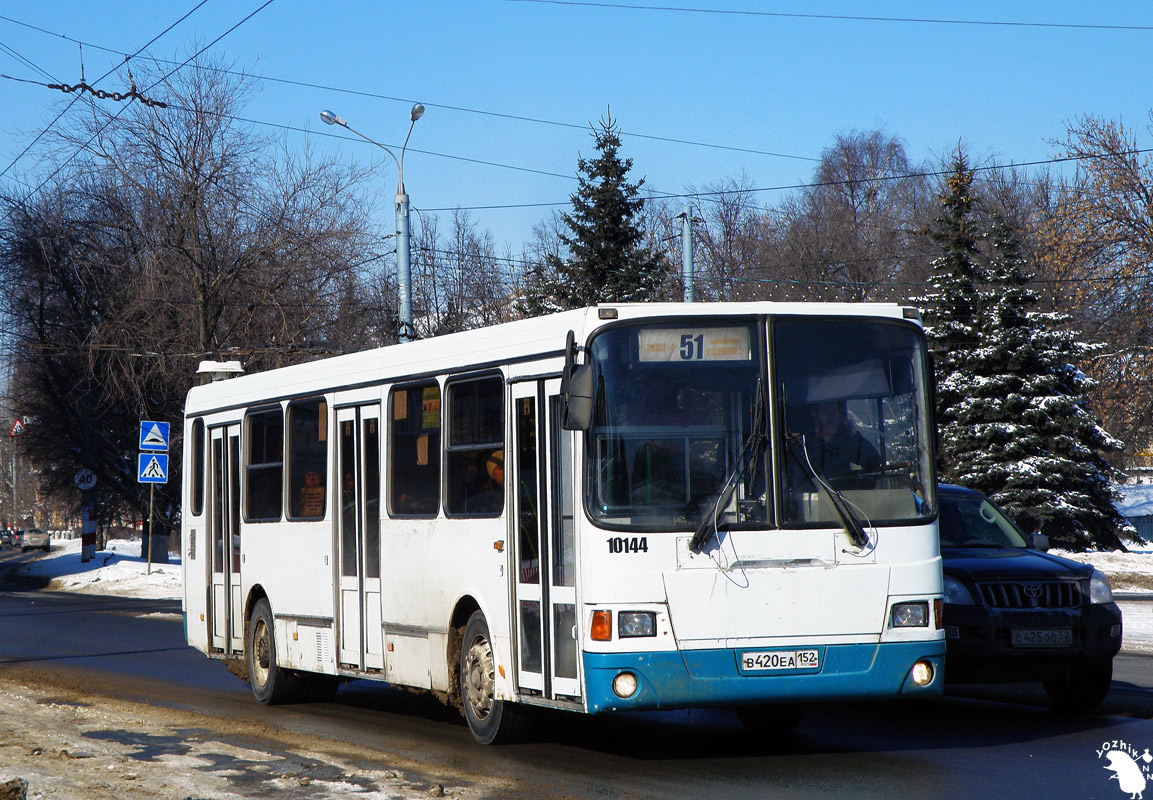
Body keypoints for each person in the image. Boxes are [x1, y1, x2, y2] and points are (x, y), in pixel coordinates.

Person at [800, 400, 881, 487]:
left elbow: (873, 461)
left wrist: (855, 436)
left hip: (844, 497)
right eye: (826, 410)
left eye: (835, 411)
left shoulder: (845, 442)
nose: (832, 415)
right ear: (815, 413)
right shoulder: (804, 444)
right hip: (815, 497)